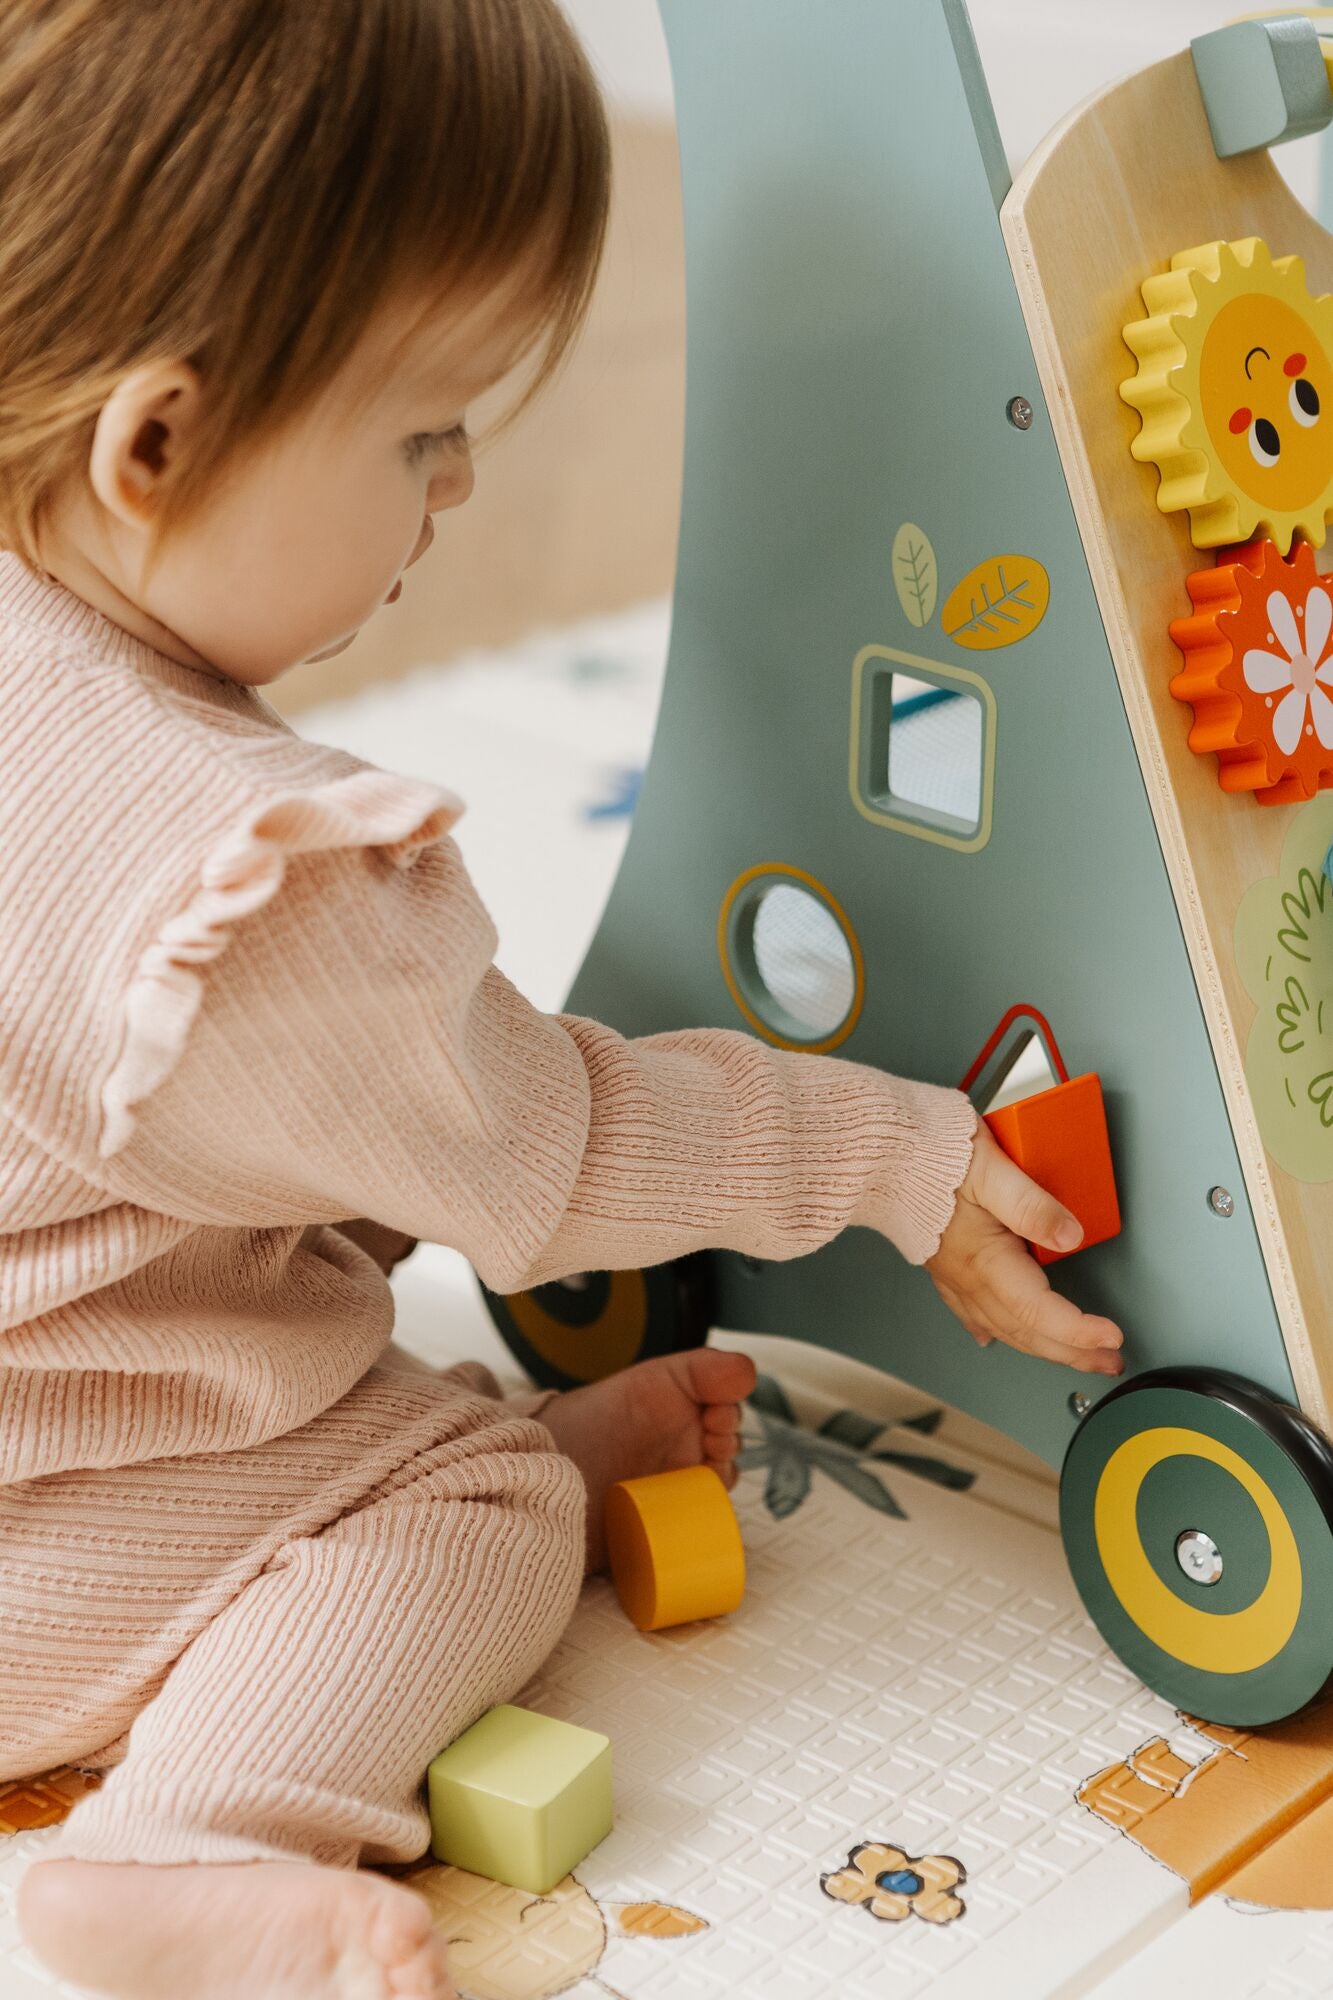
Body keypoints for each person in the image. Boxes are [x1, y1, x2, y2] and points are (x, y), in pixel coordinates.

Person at [0, 3, 1123, 1994]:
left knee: (285, 1277)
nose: (448, 496)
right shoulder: (255, 900)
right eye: (424, 430)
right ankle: (185, 1844)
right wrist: (891, 1151)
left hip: (74, 1354)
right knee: (474, 1499)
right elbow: (554, 1148)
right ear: (153, 441)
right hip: (37, 1546)